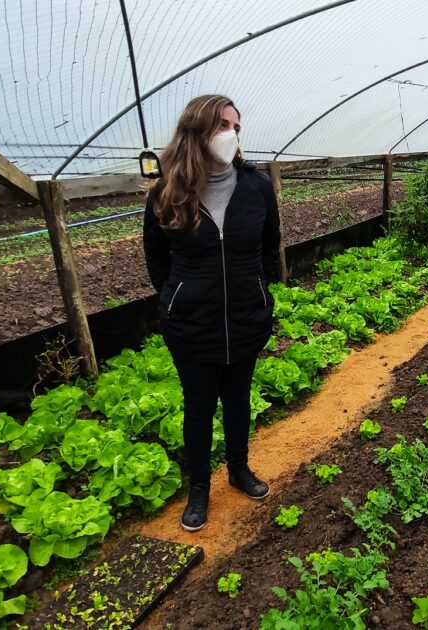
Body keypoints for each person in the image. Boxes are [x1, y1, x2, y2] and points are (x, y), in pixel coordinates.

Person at [143, 94, 281, 532]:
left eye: (236, 127)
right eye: (223, 125)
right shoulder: (168, 191)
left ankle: (238, 470)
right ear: (197, 131)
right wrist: (177, 299)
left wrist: (257, 291)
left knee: (239, 401)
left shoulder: (256, 186)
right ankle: (199, 488)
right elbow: (156, 260)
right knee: (198, 407)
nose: (232, 134)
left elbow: (268, 245)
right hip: (191, 326)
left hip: (245, 317)